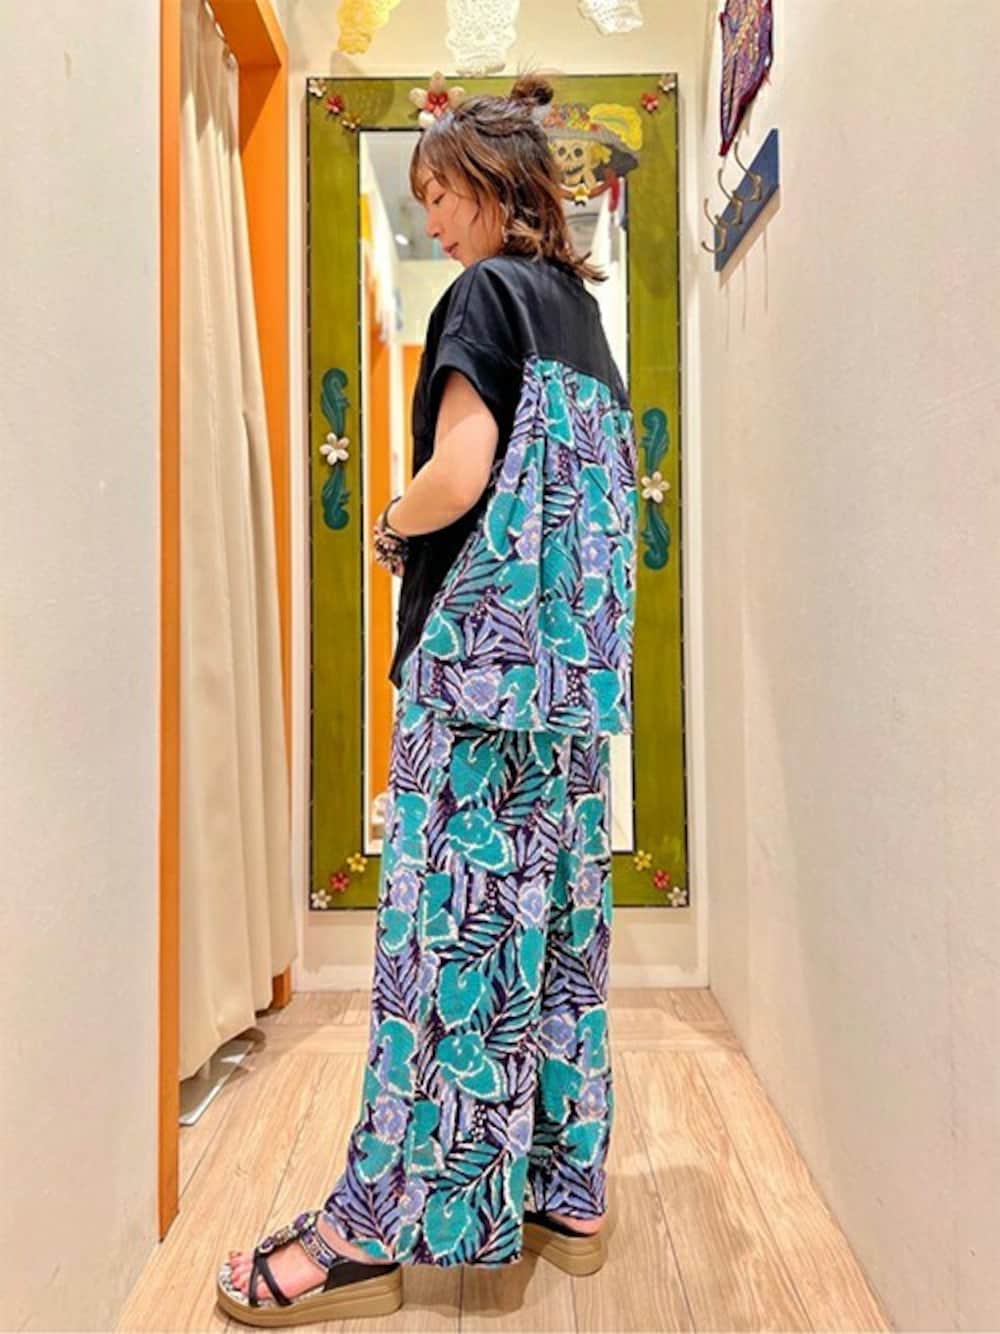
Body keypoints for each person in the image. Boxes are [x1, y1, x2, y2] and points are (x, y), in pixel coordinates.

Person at [216, 72, 637, 1327]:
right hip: (564, 694)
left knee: (441, 952)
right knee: (554, 936)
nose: (434, 222)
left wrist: (391, 528)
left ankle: (376, 1226)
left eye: (442, 195)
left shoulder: (484, 295)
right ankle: (566, 1192)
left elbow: (461, 470)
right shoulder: (582, 320)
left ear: (497, 188)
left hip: (477, 682)